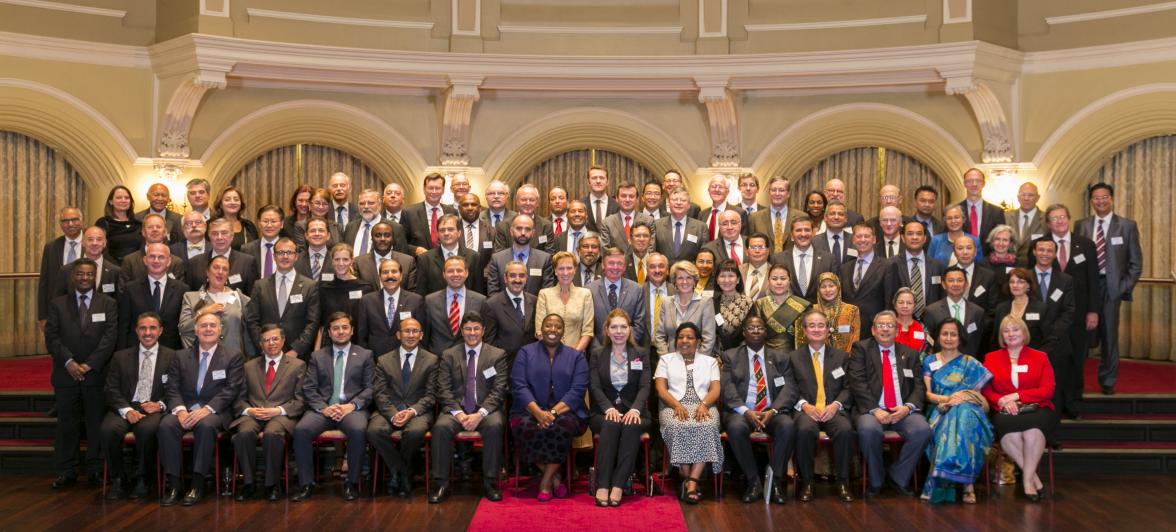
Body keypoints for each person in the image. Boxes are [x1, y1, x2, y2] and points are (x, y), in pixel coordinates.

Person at [45, 258, 119, 489]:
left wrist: (89, 365)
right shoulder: (57, 304)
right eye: (80, 274)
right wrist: (69, 362)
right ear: (72, 276)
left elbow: (110, 338)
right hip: (66, 375)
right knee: (67, 424)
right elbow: (52, 337)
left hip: (96, 375)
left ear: (95, 277)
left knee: (96, 423)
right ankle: (66, 470)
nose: (84, 278)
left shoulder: (108, 303)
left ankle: (96, 469)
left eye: (89, 274)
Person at [159, 312, 245, 506]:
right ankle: (174, 484)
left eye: (212, 325)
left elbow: (231, 390)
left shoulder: (233, 356)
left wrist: (207, 409)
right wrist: (180, 411)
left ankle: (197, 484)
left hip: (215, 411)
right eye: (203, 325)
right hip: (185, 409)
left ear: (220, 330)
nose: (208, 329)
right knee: (166, 425)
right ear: (196, 330)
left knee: (205, 426)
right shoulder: (180, 356)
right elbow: (171, 388)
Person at [291, 312, 374, 502]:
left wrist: (351, 406)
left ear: (352, 331)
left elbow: (370, 388)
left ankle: (351, 483)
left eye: (345, 327)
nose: (340, 332)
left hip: (351, 409)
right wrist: (323, 408)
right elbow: (309, 388)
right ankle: (306, 483)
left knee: (358, 430)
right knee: (301, 430)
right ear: (329, 332)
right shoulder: (317, 356)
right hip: (324, 409)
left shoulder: (365, 355)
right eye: (335, 328)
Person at [848, 311, 931, 499]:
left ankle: (899, 476)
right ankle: (876, 480)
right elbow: (857, 382)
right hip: (871, 410)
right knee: (868, 430)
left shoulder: (909, 354)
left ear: (897, 330)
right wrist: (875, 410)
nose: (885, 329)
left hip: (902, 411)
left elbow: (919, 386)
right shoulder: (861, 349)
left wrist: (908, 407)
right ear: (873, 330)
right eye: (881, 325)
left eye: (890, 325)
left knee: (922, 430)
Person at [430, 312, 510, 503]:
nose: (472, 333)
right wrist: (458, 414)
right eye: (468, 329)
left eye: (476, 329)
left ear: (483, 331)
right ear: (462, 331)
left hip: (486, 410)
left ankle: (490, 482)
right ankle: (441, 483)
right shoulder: (449, 355)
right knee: (440, 428)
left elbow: (500, 389)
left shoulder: (497, 355)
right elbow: (443, 389)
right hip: (456, 410)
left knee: (494, 426)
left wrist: (479, 414)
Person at [511, 314, 589, 502]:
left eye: (557, 327)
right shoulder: (525, 352)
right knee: (524, 427)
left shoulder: (576, 356)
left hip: (566, 411)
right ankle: (555, 479)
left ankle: (545, 482)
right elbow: (519, 385)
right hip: (530, 410)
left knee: (561, 428)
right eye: (548, 325)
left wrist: (552, 413)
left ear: (563, 332)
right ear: (541, 329)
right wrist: (538, 412)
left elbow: (577, 390)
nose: (552, 330)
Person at [1075, 183, 1143, 396]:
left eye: (1104, 197)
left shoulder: (1127, 225)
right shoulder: (1081, 225)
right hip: (1086, 287)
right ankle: (1075, 380)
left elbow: (1136, 262)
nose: (1100, 201)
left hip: (1111, 288)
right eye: (1096, 198)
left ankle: (1108, 380)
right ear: (1091, 201)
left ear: (1111, 199)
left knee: (1109, 336)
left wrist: (1123, 287)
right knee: (1081, 334)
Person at [982, 315, 1059, 502]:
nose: (1010, 334)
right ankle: (1034, 479)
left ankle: (1026, 481)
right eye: (1006, 330)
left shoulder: (1040, 357)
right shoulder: (991, 358)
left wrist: (1017, 396)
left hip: (1037, 409)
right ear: (1001, 336)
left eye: (1015, 329)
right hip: (1005, 411)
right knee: (1010, 436)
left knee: (1032, 433)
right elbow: (985, 388)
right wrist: (1001, 401)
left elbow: (1048, 390)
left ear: (1024, 333)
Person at [719, 316, 794, 504]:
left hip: (771, 411)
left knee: (788, 426)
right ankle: (753, 481)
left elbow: (790, 388)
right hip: (742, 412)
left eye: (759, 328)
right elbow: (726, 388)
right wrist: (745, 411)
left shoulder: (781, 357)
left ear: (765, 333)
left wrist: (774, 410)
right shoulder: (730, 356)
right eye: (751, 328)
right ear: (744, 333)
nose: (755, 331)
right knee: (735, 428)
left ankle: (776, 480)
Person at [100, 312, 175, 500]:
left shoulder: (173, 357)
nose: (147, 332)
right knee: (108, 430)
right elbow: (111, 389)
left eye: (152, 328)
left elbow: (177, 388)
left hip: (153, 408)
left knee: (147, 430)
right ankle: (118, 478)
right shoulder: (120, 356)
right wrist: (127, 410)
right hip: (125, 406)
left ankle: (144, 479)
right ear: (136, 331)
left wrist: (160, 404)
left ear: (160, 331)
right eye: (143, 328)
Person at [784, 310, 855, 502]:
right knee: (805, 429)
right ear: (805, 331)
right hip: (807, 410)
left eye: (821, 325)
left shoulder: (841, 357)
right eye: (812, 326)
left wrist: (836, 405)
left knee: (846, 429)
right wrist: (804, 405)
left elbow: (849, 387)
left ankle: (842, 481)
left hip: (833, 409)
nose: (817, 329)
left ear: (828, 330)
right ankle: (807, 481)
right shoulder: (793, 357)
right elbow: (789, 387)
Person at [229, 325, 306, 501]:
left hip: (281, 415)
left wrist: (277, 410)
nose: (271, 343)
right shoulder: (248, 366)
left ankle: (273, 484)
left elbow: (301, 400)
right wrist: (249, 410)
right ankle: (249, 483)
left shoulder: (297, 365)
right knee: (244, 433)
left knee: (272, 434)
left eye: (275, 339)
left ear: (283, 341)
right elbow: (238, 398)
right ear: (260, 344)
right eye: (266, 340)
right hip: (253, 414)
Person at [920, 319, 993, 504]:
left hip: (969, 411)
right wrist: (950, 400)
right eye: (945, 334)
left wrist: (963, 399)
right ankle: (967, 486)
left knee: (964, 415)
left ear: (960, 338)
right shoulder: (929, 361)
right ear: (937, 337)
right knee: (957, 415)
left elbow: (980, 400)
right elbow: (927, 395)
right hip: (939, 410)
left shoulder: (971, 364)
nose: (949, 338)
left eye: (954, 334)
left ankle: (958, 481)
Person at [367, 317, 439, 499]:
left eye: (415, 331)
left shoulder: (431, 360)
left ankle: (398, 474)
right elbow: (380, 393)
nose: (411, 335)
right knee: (374, 430)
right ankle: (402, 471)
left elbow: (431, 395)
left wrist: (412, 411)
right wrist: (393, 414)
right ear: (398, 335)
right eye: (407, 331)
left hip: (418, 412)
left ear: (421, 335)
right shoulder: (383, 360)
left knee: (415, 432)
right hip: (388, 411)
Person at [588, 310, 652, 507]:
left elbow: (644, 386)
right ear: (607, 330)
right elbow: (595, 386)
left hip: (635, 411)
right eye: (614, 327)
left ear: (629, 329)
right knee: (611, 423)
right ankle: (603, 484)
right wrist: (608, 408)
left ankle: (618, 484)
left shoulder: (640, 354)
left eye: (623, 327)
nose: (619, 331)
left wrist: (635, 410)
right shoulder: (597, 354)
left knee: (632, 426)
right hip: (603, 413)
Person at [655, 322, 722, 505]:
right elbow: (661, 389)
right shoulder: (666, 360)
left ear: (698, 341)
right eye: (681, 337)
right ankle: (688, 477)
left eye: (690, 337)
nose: (685, 341)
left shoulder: (710, 362)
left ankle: (691, 481)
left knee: (707, 426)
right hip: (672, 405)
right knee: (677, 425)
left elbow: (715, 389)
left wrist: (704, 405)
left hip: (703, 406)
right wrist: (676, 405)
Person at [1026, 242, 1080, 416]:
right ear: (1034, 252)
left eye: (1050, 251)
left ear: (1055, 254)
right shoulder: (1023, 277)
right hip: (1029, 342)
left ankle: (1053, 429)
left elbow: (1069, 310)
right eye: (1041, 250)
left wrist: (1052, 335)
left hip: (1057, 343)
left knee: (1054, 387)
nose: (1045, 254)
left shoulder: (1065, 280)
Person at [246, 238, 320, 359]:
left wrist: (296, 349)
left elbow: (312, 322)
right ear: (274, 256)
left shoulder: (310, 286)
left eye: (289, 253)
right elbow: (252, 320)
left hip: (297, 356)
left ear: (296, 257)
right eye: (280, 253)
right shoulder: (260, 285)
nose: (285, 256)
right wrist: (264, 347)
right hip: (266, 355)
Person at [179, 255, 256, 357]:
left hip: (234, 360)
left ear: (228, 274)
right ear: (207, 272)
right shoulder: (191, 297)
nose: (220, 272)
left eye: (225, 269)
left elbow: (250, 329)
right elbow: (183, 327)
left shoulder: (238, 297)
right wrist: (203, 312)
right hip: (202, 358)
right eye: (216, 267)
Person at [118, 242, 190, 350]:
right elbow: (124, 327)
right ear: (145, 260)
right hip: (137, 351)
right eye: (152, 256)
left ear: (169, 261)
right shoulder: (131, 289)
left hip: (171, 353)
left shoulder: (182, 290)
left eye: (161, 257)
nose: (156, 260)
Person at [356, 257, 425, 356]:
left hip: (405, 358)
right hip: (375, 359)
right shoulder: (367, 301)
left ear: (401, 276)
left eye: (394, 271)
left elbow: (421, 335)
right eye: (385, 272)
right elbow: (362, 336)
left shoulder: (416, 300)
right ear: (379, 277)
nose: (390, 276)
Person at [883, 220, 946, 320]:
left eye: (919, 234)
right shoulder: (890, 264)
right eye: (910, 234)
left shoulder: (938, 266)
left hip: (932, 324)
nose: (915, 237)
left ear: (925, 238)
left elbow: (942, 298)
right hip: (900, 324)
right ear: (903, 238)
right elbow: (887, 297)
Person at [424, 256, 487, 354]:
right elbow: (425, 336)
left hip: (468, 358)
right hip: (438, 360)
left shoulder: (480, 300)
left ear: (466, 273)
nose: (455, 274)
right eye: (450, 271)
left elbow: (484, 334)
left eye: (459, 270)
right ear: (444, 274)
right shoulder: (430, 300)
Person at [317, 243, 376, 347]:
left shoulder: (365, 288)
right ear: (332, 261)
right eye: (337, 259)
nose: (341, 263)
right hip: (330, 346)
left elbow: (370, 323)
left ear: (352, 261)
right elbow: (321, 325)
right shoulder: (325, 289)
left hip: (358, 345)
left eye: (345, 259)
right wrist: (317, 350)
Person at [588, 247, 648, 349]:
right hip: (597, 353)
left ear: (624, 267)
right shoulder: (589, 290)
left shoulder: (636, 289)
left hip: (628, 351)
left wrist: (623, 347)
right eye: (611, 263)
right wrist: (599, 351)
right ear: (603, 265)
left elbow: (639, 325)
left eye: (620, 263)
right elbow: (588, 327)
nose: (615, 267)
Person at [654, 261, 717, 357]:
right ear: (674, 281)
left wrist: (696, 363)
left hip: (697, 362)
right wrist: (666, 359)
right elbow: (659, 336)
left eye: (688, 278)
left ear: (695, 280)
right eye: (680, 278)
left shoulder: (705, 303)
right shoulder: (666, 302)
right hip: (670, 361)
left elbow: (709, 339)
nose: (684, 282)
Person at [535, 251, 594, 353]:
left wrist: (573, 355)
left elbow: (587, 331)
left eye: (569, 268)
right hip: (549, 355)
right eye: (561, 268)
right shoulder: (544, 294)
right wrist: (555, 354)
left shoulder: (585, 294)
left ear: (575, 270)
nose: (565, 273)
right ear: (555, 271)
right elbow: (539, 331)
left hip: (576, 356)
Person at [922, 267, 987, 359]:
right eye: (951, 280)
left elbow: (979, 343)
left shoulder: (978, 312)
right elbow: (929, 343)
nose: (955, 284)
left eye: (960, 280)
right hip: (942, 365)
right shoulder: (931, 311)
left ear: (966, 284)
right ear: (944, 284)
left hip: (969, 366)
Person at [38, 207, 85, 329]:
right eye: (65, 221)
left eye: (74, 220)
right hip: (58, 309)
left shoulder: (92, 243)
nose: (70, 224)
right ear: (60, 224)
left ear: (82, 221)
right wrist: (43, 316)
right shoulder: (51, 247)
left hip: (87, 307)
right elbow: (44, 282)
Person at [486, 214, 556, 295]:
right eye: (519, 228)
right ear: (511, 231)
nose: (523, 233)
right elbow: (493, 293)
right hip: (503, 307)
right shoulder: (497, 259)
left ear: (533, 233)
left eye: (527, 229)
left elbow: (547, 293)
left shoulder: (544, 259)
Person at [414, 214, 482, 296]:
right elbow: (420, 293)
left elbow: (478, 291)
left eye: (450, 229)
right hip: (435, 307)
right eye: (442, 230)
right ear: (438, 234)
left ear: (459, 233)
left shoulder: (474, 257)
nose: (446, 233)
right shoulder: (425, 259)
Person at [185, 217, 258, 294]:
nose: (219, 237)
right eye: (215, 233)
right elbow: (190, 296)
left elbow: (252, 297)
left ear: (232, 236)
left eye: (224, 233)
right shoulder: (194, 263)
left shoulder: (247, 262)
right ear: (209, 237)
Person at [482, 260, 538, 359]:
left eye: (521, 275)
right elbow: (489, 342)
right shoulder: (491, 304)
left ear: (526, 278)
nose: (517, 279)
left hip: (531, 362)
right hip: (505, 364)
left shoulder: (534, 301)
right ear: (505, 278)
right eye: (512, 275)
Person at [772, 217, 837, 302]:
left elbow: (835, 289)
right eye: (798, 230)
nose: (803, 234)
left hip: (819, 313)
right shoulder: (778, 259)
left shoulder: (828, 259)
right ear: (791, 235)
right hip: (789, 312)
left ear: (813, 233)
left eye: (807, 230)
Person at [118, 213, 187, 286]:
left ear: (165, 232)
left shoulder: (176, 262)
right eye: (150, 227)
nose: (154, 230)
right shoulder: (129, 261)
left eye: (158, 227)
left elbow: (179, 292)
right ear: (143, 232)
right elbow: (123, 291)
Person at [753, 263, 810, 352]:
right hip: (767, 357)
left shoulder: (802, 305)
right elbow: (753, 335)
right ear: (768, 281)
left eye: (783, 278)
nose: (779, 282)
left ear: (789, 280)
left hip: (795, 357)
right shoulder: (760, 304)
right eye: (774, 279)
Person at [841, 223, 887, 329]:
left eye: (866, 236)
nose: (862, 240)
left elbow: (888, 301)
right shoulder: (844, 268)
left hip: (874, 326)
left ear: (874, 240)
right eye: (859, 236)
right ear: (853, 240)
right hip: (848, 326)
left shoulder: (886, 266)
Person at [402, 172, 458, 255]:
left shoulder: (452, 211)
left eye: (438, 188)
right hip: (419, 264)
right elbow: (401, 243)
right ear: (424, 190)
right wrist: (415, 250)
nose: (434, 191)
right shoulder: (409, 213)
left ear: (443, 190)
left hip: (447, 262)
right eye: (431, 188)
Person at [808, 272, 861, 352]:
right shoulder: (812, 311)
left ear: (838, 287)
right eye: (823, 287)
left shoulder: (852, 310)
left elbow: (855, 339)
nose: (828, 290)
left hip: (846, 359)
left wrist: (847, 359)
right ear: (818, 290)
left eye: (831, 286)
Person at [654, 188, 709, 264]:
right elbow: (652, 252)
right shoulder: (656, 225)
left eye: (683, 200)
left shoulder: (701, 227)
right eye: (675, 200)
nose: (678, 203)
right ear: (669, 204)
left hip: (690, 273)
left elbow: (703, 256)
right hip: (663, 273)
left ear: (689, 205)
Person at [712, 259, 755, 352]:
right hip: (716, 355)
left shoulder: (747, 302)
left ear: (738, 279)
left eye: (731, 276)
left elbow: (750, 334)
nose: (726, 280)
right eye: (722, 276)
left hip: (741, 354)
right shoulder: (712, 302)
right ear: (717, 280)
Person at [598, 181, 652, 254]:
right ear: (617, 198)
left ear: (637, 199)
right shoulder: (607, 222)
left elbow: (650, 248)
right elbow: (605, 251)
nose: (627, 199)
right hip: (616, 264)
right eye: (623, 196)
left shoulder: (649, 221)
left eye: (631, 196)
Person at [94, 185, 142, 262]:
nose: (123, 200)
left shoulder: (139, 224)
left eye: (127, 198)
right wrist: (116, 268)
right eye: (119, 197)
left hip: (136, 268)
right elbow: (100, 249)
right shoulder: (103, 223)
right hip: (112, 268)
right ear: (111, 202)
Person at [958, 168, 1005, 245]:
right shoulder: (955, 210)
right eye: (970, 181)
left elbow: (1001, 239)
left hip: (988, 256)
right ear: (964, 184)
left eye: (978, 181)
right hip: (961, 256)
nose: (974, 184)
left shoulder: (997, 212)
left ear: (984, 184)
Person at [749, 176, 795, 253]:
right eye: (773, 190)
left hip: (791, 264)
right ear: (769, 193)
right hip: (764, 264)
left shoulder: (801, 217)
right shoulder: (755, 218)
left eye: (781, 190)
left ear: (788, 194)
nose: (777, 193)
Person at [241, 204, 285, 280]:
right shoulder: (247, 249)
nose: (269, 225)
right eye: (265, 221)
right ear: (259, 223)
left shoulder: (290, 249)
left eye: (273, 221)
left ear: (281, 224)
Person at [1006, 182, 1047, 259]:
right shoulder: (1006, 216)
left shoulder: (1046, 219)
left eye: (1031, 195)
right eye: (1023, 195)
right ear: (1018, 197)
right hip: (1010, 266)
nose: (1026, 198)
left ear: (1038, 198)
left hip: (1034, 266)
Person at [584, 166, 620, 232]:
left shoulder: (617, 205)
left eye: (602, 178)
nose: (598, 181)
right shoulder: (581, 204)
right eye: (594, 178)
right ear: (588, 182)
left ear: (607, 182)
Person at [892, 288, 928, 353]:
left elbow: (926, 351)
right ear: (895, 305)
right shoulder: (887, 326)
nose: (905, 306)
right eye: (901, 302)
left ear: (914, 306)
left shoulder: (923, 328)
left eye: (909, 303)